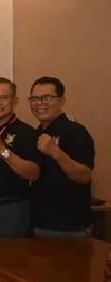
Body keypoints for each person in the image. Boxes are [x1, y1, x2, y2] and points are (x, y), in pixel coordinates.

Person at [29, 76, 95, 237]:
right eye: (35, 99)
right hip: (38, 222)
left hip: (69, 226)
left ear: (62, 100)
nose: (40, 103)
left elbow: (84, 176)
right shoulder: (34, 134)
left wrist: (56, 152)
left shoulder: (75, 132)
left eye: (47, 98)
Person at [0, 77, 40, 238]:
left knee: (10, 254)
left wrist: (2, 151)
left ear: (14, 101)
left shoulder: (26, 132)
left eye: (3, 98)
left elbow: (33, 173)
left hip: (11, 210)